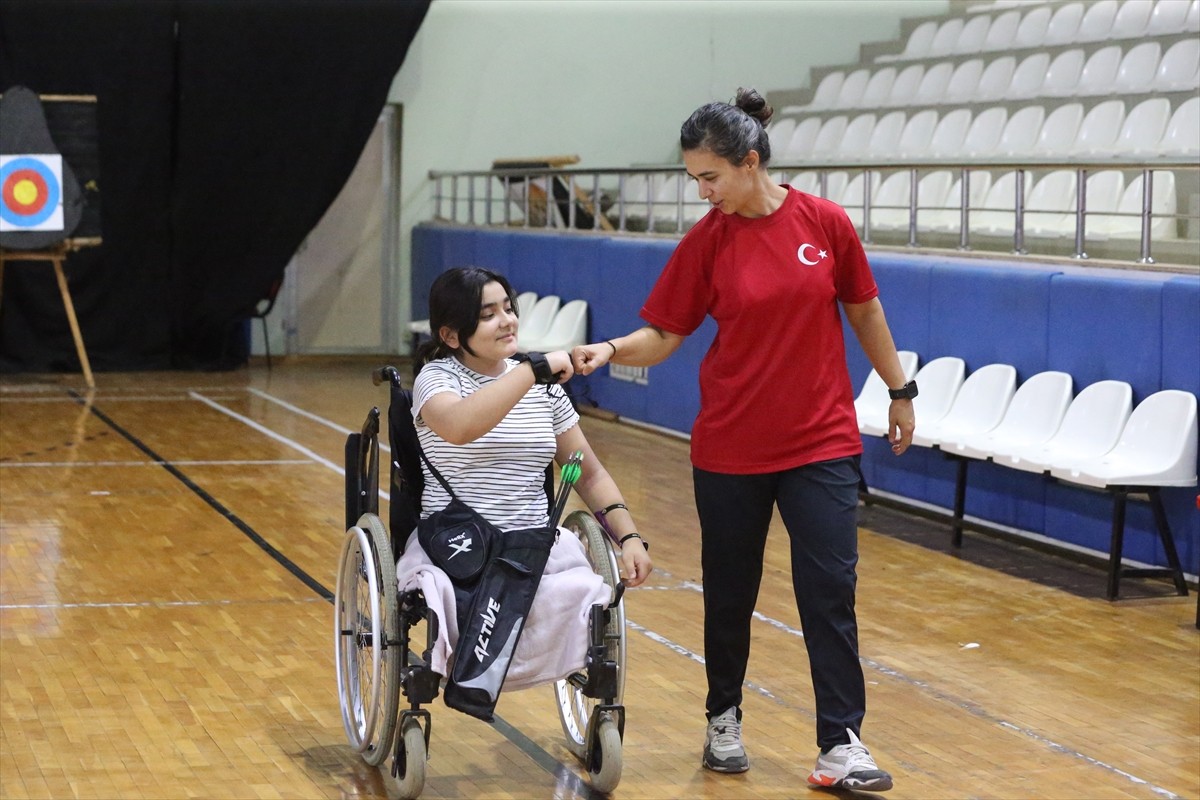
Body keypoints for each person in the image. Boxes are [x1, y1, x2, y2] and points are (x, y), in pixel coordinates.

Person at [572, 88, 914, 793]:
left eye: (710, 177)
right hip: (731, 447)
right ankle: (722, 718)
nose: (702, 192)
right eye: (694, 178)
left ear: (750, 162)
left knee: (830, 591)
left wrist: (899, 389)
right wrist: (612, 349)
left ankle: (841, 742)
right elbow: (665, 333)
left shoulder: (825, 223)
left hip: (821, 442)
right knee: (731, 592)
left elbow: (864, 309)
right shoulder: (707, 241)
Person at [399, 266, 653, 699]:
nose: (507, 321)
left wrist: (629, 537)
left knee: (588, 591)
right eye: (488, 315)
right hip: (456, 546)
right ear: (451, 335)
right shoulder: (437, 379)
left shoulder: (545, 389)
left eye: (508, 308)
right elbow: (459, 426)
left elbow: (589, 473)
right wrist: (531, 371)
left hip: (532, 545)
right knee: (442, 594)